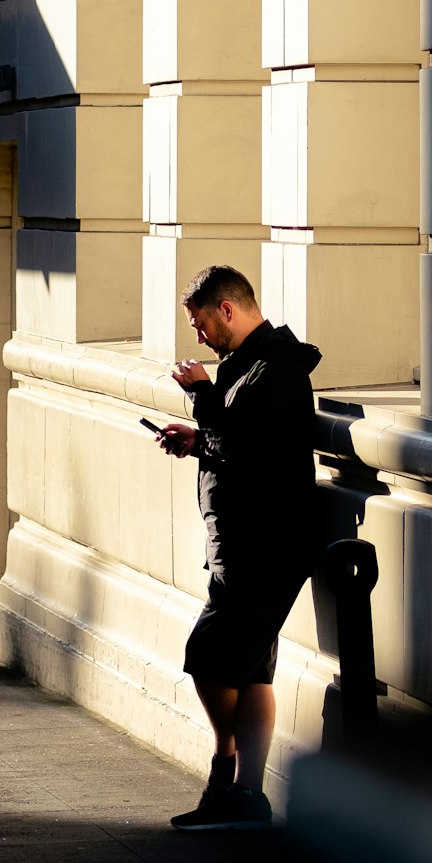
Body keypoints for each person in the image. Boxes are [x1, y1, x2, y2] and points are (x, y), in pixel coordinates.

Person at [155, 264, 321, 830]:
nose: (198, 336)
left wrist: (202, 398)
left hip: (262, 546)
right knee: (253, 670)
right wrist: (197, 440)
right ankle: (246, 797)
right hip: (246, 541)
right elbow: (236, 442)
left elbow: (247, 446)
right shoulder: (250, 366)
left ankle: (226, 769)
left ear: (226, 309)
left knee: (207, 656)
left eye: (200, 322)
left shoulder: (274, 369)